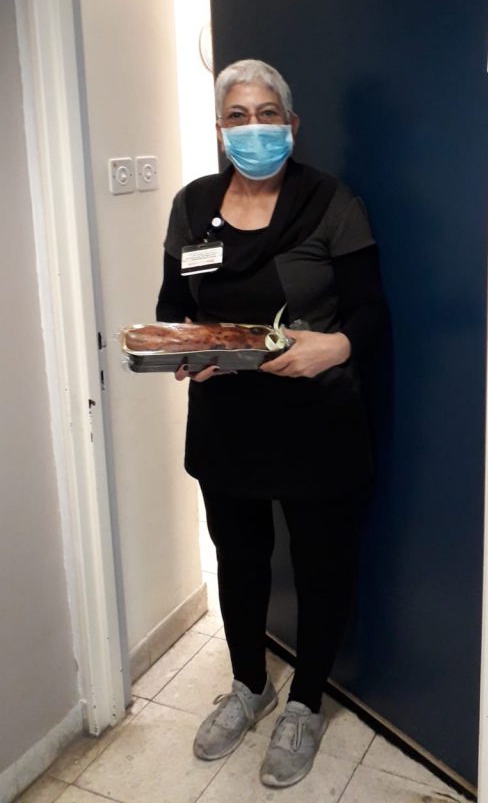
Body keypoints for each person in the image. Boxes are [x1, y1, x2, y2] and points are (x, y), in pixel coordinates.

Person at [156, 59, 387, 788]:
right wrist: (185, 350)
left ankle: (306, 704)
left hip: (316, 420)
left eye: (267, 114)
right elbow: (173, 306)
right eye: (238, 116)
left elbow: (371, 312)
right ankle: (249, 686)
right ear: (220, 129)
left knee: (321, 565)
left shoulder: (332, 204)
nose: (253, 128)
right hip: (227, 421)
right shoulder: (193, 205)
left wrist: (335, 347)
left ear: (291, 124)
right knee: (240, 558)